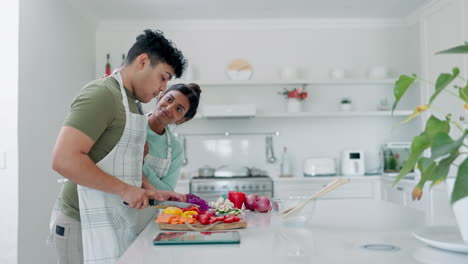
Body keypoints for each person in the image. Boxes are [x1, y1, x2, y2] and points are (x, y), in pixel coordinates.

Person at [49, 29, 187, 264]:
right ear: (143, 61)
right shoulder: (102, 94)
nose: (163, 88)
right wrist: (124, 190)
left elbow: (124, 165)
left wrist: (154, 191)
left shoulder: (133, 105)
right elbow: (64, 160)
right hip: (81, 220)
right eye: (163, 77)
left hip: (112, 218)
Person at [137, 83, 201, 233]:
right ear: (160, 97)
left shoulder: (175, 148)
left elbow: (167, 192)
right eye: (169, 99)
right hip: (122, 208)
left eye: (178, 109)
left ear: (182, 119)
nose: (169, 108)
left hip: (151, 217)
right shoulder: (133, 127)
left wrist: (142, 163)